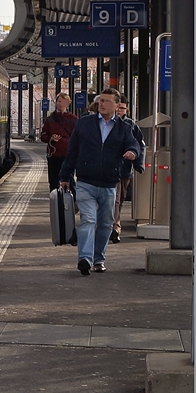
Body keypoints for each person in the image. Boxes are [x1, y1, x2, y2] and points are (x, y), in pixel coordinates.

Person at [59, 89, 139, 275]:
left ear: (116, 105)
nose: (102, 104)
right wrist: (65, 176)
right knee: (88, 219)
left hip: (109, 183)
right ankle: (85, 259)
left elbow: (133, 144)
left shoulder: (123, 127)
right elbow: (72, 151)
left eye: (107, 101)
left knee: (105, 224)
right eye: (101, 100)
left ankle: (98, 259)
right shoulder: (85, 123)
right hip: (86, 181)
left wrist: (133, 153)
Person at [110, 99, 145, 242]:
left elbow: (140, 145)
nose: (120, 110)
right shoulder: (108, 124)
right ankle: (115, 227)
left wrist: (138, 163)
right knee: (115, 199)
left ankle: (113, 224)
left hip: (126, 169)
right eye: (118, 107)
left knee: (121, 198)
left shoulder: (131, 125)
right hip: (111, 168)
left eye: (123, 108)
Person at [39, 93, 77, 191]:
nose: (60, 104)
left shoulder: (74, 119)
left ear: (68, 104)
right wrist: (51, 138)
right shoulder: (50, 119)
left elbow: (78, 137)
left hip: (68, 155)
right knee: (53, 180)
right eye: (59, 101)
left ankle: (73, 199)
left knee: (70, 180)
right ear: (56, 103)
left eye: (63, 102)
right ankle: (55, 198)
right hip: (54, 154)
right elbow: (43, 136)